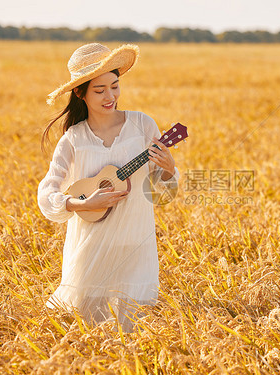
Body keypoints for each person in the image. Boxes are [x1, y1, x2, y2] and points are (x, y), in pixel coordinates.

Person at [38, 43, 179, 331]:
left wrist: (167, 170)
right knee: (88, 334)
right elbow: (47, 191)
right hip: (91, 250)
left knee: (136, 333)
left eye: (115, 86)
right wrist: (81, 204)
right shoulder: (73, 139)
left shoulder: (142, 125)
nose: (110, 96)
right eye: (99, 90)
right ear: (81, 93)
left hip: (135, 245)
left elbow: (161, 191)